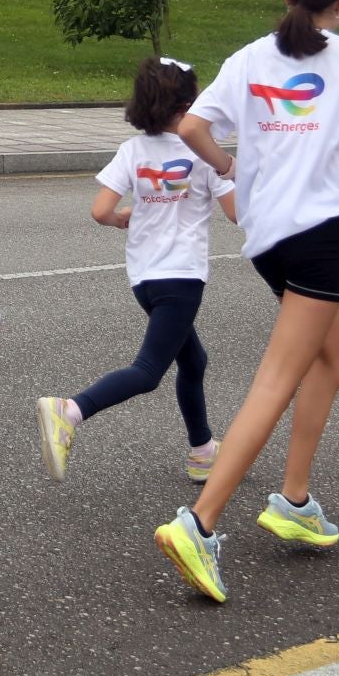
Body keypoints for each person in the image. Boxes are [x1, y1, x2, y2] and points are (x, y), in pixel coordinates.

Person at [153, 0, 339, 603]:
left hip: (267, 237)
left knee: (337, 355)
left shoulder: (249, 58)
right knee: (276, 381)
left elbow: (190, 128)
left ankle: (294, 500)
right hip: (322, 238)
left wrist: (232, 165)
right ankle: (200, 523)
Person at [36, 56, 237, 484]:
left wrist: (124, 216)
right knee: (147, 372)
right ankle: (70, 410)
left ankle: (203, 451)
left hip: (144, 277)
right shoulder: (205, 152)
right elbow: (237, 214)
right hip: (182, 277)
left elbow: (100, 210)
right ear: (188, 105)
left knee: (194, 360)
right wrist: (241, 173)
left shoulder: (132, 150)